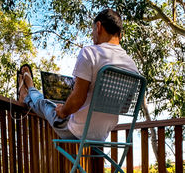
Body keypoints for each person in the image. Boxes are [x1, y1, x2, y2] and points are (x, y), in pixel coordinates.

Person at [18, 9, 138, 141]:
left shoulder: (90, 53)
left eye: (92, 30)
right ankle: (30, 92)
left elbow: (77, 100)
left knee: (44, 103)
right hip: (101, 135)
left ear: (98, 27)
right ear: (120, 35)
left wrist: (62, 111)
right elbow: (124, 109)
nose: (93, 35)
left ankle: (27, 94)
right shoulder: (131, 65)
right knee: (59, 102)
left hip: (76, 131)